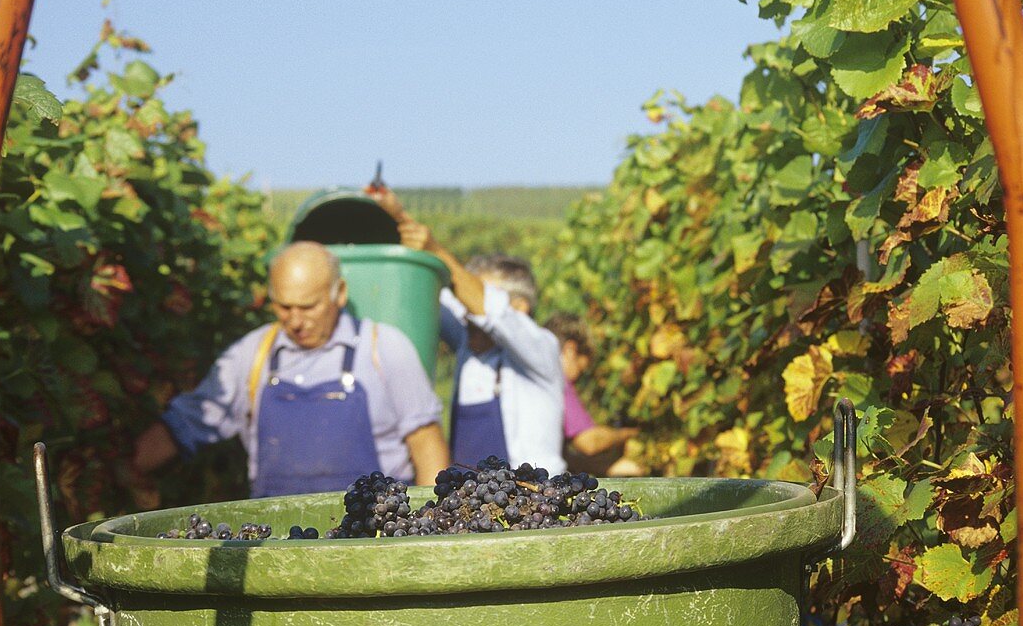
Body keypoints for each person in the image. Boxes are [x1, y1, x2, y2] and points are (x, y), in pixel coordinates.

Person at [130, 241, 450, 497]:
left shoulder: (385, 347)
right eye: (284, 307)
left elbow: (426, 444)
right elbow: (190, 421)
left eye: (308, 307)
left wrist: (424, 530)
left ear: (339, 294)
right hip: (280, 546)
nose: (295, 322)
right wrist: (128, 468)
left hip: (371, 540)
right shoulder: (252, 355)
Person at [369, 191, 566, 474]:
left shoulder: (539, 350)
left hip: (532, 503)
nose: (467, 310)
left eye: (477, 296)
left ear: (519, 308)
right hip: (468, 506)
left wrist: (435, 248)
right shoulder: (466, 341)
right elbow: (441, 289)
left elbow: (488, 308)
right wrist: (396, 216)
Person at [544, 313, 644, 477]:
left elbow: (565, 455)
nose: (579, 378)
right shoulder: (555, 381)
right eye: (582, 368)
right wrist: (630, 434)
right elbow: (589, 441)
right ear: (570, 350)